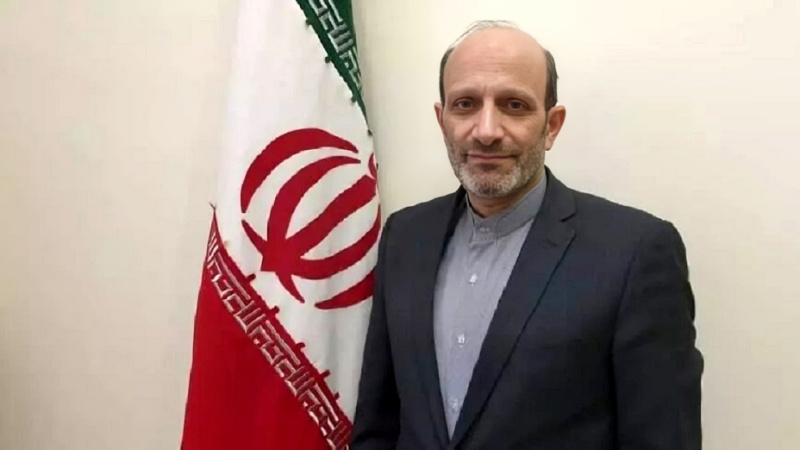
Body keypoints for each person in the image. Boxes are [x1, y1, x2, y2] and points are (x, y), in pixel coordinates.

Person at [351, 20, 703, 450]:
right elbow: (379, 424)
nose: (486, 130)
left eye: (514, 105)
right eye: (465, 104)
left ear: (551, 125)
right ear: (442, 120)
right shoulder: (405, 237)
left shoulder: (636, 253)